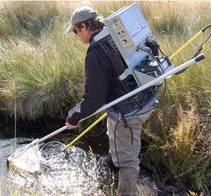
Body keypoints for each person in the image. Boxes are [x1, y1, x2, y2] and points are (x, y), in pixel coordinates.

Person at [65, 6, 157, 196]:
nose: (76, 35)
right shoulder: (115, 33)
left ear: (84, 26)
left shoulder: (95, 54)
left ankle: (126, 191)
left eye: (75, 31)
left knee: (128, 159)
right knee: (114, 129)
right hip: (146, 95)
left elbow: (94, 99)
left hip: (129, 111)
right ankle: (113, 162)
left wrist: (73, 118)